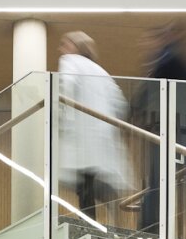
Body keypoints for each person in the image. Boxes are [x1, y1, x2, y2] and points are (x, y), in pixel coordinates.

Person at [135, 21, 186, 239]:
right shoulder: (179, 59)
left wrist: (134, 109)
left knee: (161, 180)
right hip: (185, 127)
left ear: (176, 34)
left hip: (175, 129)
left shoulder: (169, 58)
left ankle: (150, 227)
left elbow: (148, 88)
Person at [55, 29, 134, 226]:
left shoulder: (70, 61)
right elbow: (120, 103)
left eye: (65, 44)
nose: (61, 49)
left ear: (76, 46)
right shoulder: (102, 72)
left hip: (81, 132)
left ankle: (89, 224)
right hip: (102, 135)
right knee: (92, 178)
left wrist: (60, 115)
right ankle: (107, 215)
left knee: (83, 181)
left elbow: (66, 86)